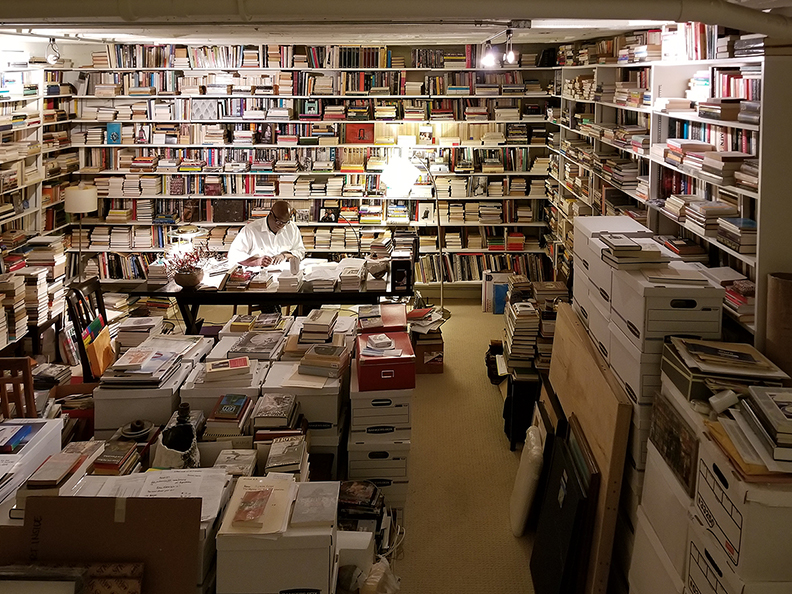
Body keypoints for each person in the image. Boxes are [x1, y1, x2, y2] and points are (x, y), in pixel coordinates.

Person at [227, 200, 306, 267]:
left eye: (284, 223)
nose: (281, 226)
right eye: (278, 222)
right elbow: (233, 255)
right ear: (270, 214)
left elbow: (300, 251)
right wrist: (257, 262)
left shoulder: (292, 228)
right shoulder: (251, 230)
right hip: (260, 275)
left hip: (285, 272)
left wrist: (284, 255)